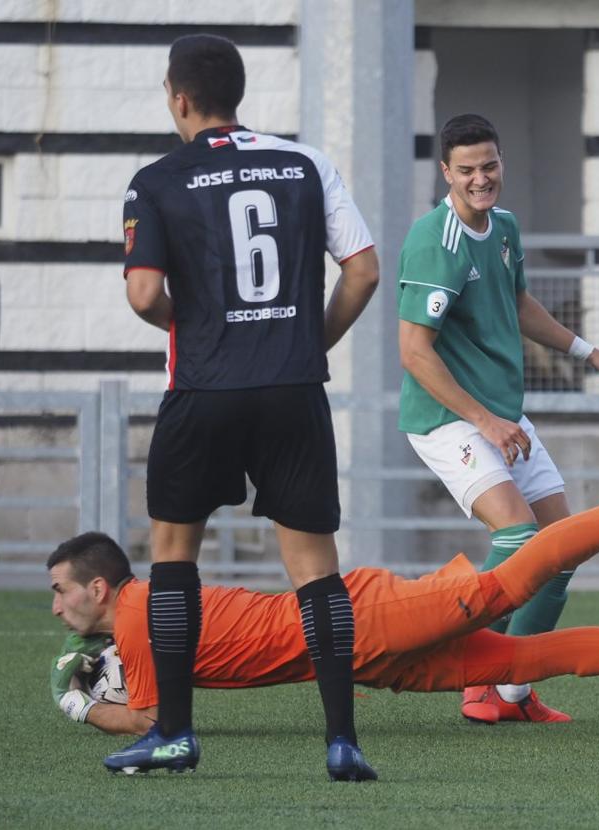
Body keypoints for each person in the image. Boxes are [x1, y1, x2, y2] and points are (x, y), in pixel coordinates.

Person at [47, 467, 599, 775]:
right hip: (356, 657)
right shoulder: (139, 616)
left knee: (510, 586)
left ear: (99, 587)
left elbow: (151, 725)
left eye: (60, 591)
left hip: (361, 623)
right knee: (518, 663)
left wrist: (79, 704)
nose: (55, 608)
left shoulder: (138, 616)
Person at [117, 35, 380, 780]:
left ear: (178, 97)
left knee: (174, 553)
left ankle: (173, 733)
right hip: (293, 389)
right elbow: (362, 271)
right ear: (238, 93)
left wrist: (195, 325)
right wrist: (307, 341)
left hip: (203, 388)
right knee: (315, 568)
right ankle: (341, 742)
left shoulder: (158, 179)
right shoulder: (304, 163)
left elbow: (142, 295)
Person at [397, 114, 599, 724]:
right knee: (518, 537)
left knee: (563, 549)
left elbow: (517, 301)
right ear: (445, 173)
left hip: (500, 415)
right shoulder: (434, 239)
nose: (481, 179)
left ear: (500, 162)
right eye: (467, 170)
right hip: (446, 418)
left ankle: (510, 690)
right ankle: (454, 658)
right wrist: (483, 420)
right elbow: (413, 351)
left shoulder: (503, 228)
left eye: (490, 166)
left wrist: (590, 353)